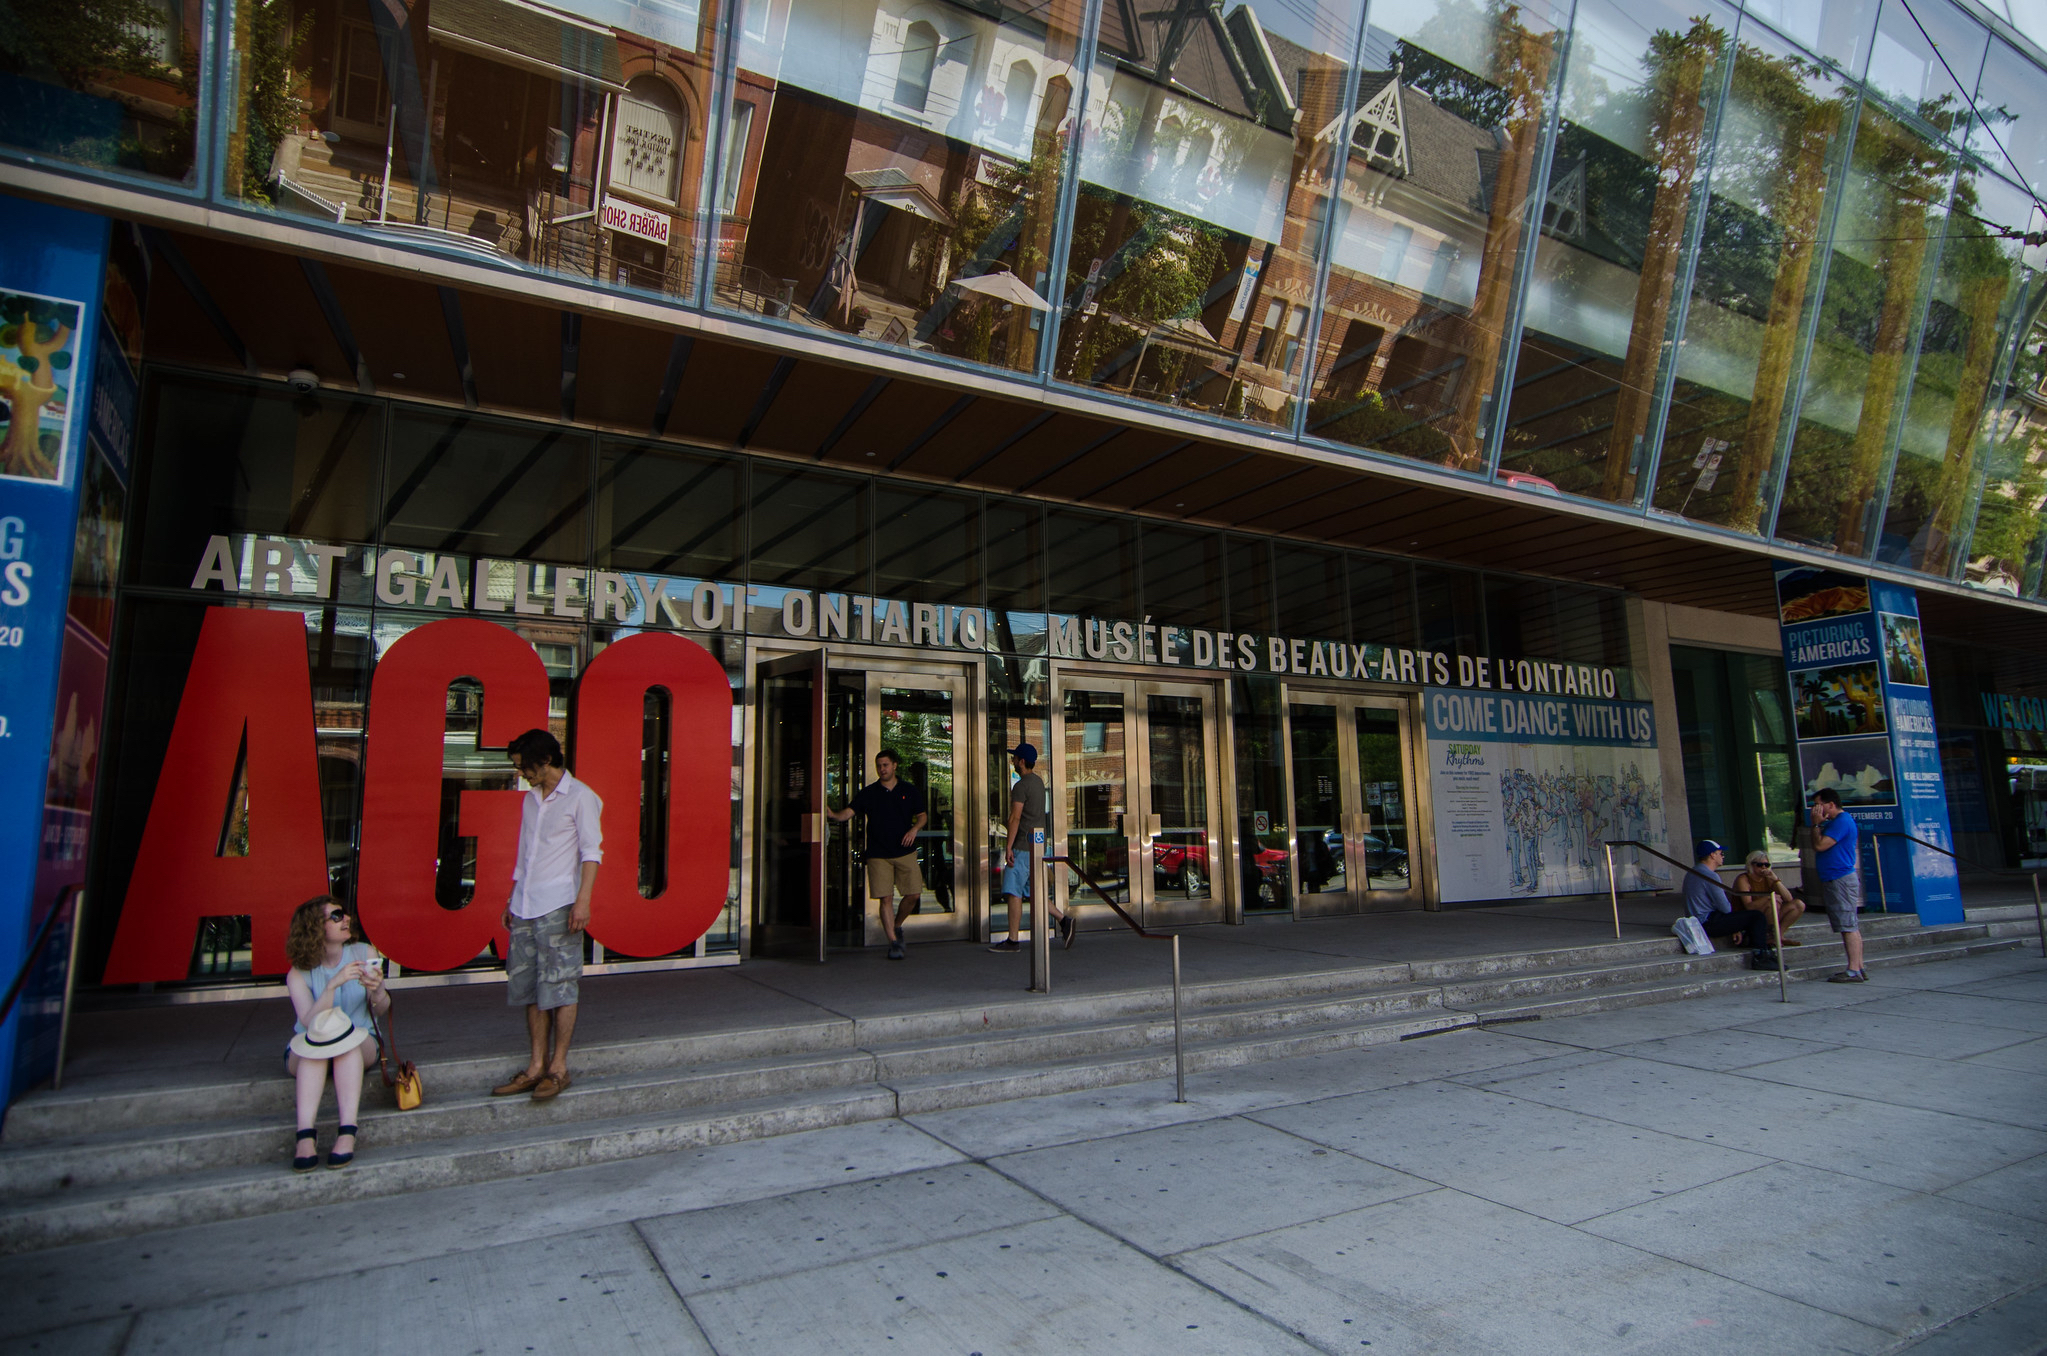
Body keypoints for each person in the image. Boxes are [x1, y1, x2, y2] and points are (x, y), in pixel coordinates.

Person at [493, 728, 602, 1101]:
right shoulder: (530, 800)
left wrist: (582, 901)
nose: (521, 772)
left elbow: (592, 853)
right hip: (525, 904)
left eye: (525, 766)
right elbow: (526, 853)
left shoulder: (581, 797)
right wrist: (512, 896)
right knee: (529, 988)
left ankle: (558, 1068)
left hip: (560, 903)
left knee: (561, 984)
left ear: (546, 761)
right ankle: (535, 1066)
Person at [284, 895, 389, 1170]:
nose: (346, 919)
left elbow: (381, 1010)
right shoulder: (298, 973)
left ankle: (347, 1132)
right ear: (315, 927)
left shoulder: (365, 953)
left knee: (347, 1045)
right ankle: (305, 1136)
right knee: (313, 1051)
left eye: (344, 914)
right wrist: (333, 985)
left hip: (360, 1040)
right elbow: (309, 1022)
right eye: (336, 915)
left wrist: (377, 990)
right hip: (310, 1043)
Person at [828, 748, 926, 960]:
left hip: (905, 851)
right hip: (878, 853)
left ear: (894, 765)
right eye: (879, 766)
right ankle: (893, 943)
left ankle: (897, 924)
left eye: (885, 765)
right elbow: (849, 813)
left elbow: (922, 816)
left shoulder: (909, 790)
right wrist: (833, 814)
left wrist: (914, 829)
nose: (882, 769)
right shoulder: (869, 793)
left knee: (913, 895)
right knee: (885, 899)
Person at [989, 743, 1071, 951]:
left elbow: (1015, 818)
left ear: (1022, 761)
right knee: (1035, 893)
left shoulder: (1021, 786)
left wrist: (1009, 847)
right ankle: (1064, 921)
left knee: (1013, 892)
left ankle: (1013, 940)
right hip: (1037, 847)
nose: (1012, 761)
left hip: (1022, 847)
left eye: (1014, 758)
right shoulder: (1038, 782)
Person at [1810, 789, 1867, 982]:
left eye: (1819, 805)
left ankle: (1852, 970)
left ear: (1831, 804)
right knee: (1849, 923)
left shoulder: (1841, 822)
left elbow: (1820, 845)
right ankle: (1858, 966)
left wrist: (1816, 825)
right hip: (1837, 878)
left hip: (1840, 879)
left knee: (1847, 925)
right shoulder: (1837, 823)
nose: (1816, 809)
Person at [1680, 839, 1773, 954]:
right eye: (1721, 853)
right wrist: (1735, 926)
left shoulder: (1692, 872)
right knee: (1757, 916)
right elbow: (1725, 908)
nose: (1723, 856)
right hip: (1706, 922)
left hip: (1697, 921)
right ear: (1712, 855)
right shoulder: (1710, 875)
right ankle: (1761, 954)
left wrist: (1735, 926)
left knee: (1746, 917)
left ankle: (1753, 944)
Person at [1734, 850, 1804, 946]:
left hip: (1769, 913)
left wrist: (1775, 879)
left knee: (1798, 905)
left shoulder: (1768, 878)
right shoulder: (1743, 879)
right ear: (1751, 865)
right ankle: (1770, 937)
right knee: (1773, 902)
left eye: (1766, 865)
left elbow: (1788, 898)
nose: (1763, 867)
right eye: (1759, 865)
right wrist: (1769, 898)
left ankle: (1778, 936)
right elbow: (1749, 906)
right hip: (1750, 916)